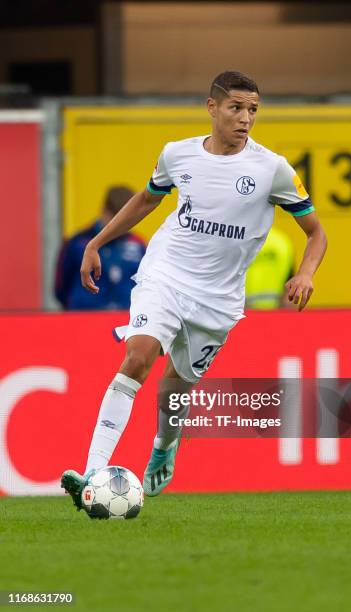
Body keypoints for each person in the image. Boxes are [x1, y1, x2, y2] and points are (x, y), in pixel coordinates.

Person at [61, 71, 327, 509]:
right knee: (138, 355)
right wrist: (96, 242)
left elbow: (316, 232)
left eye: (253, 110)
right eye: (236, 108)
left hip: (218, 301)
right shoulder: (177, 155)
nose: (245, 118)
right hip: (165, 274)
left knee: (173, 391)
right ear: (212, 107)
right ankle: (91, 473)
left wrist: (307, 272)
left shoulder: (272, 169)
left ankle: (165, 443)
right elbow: (147, 199)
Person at [55, 186, 146, 310]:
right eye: (116, 218)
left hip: (127, 322)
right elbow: (60, 288)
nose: (121, 225)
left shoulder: (138, 244)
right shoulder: (76, 243)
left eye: (127, 220)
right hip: (84, 320)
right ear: (105, 211)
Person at [245, 226, 295, 309]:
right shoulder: (281, 240)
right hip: (276, 312)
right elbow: (291, 282)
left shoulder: (240, 240)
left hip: (245, 310)